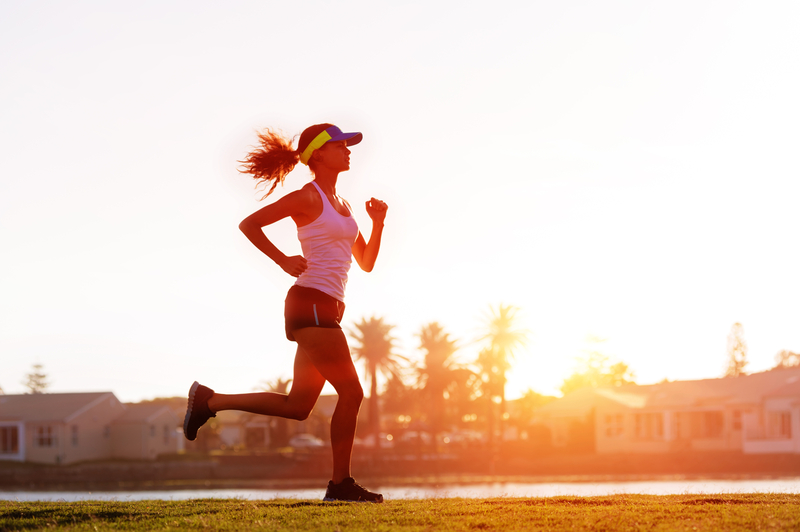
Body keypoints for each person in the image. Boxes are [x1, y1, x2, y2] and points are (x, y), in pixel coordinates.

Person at [183, 123, 387, 503]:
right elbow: (250, 224)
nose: (348, 150)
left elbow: (366, 261)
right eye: (341, 145)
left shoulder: (343, 204)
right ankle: (340, 485)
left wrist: (377, 225)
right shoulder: (307, 198)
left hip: (327, 308)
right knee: (353, 393)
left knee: (298, 406)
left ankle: (210, 401)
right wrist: (281, 259)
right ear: (319, 153)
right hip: (309, 303)